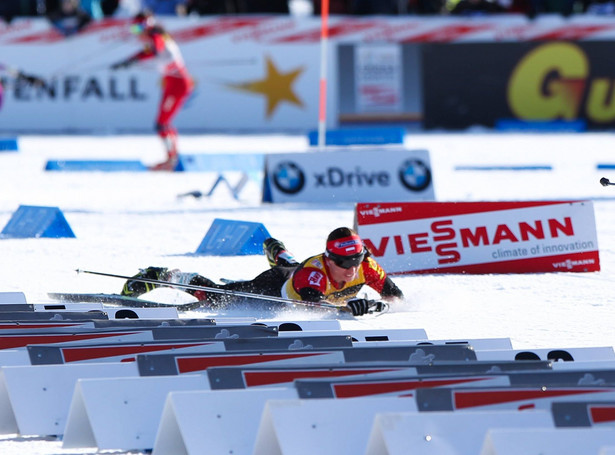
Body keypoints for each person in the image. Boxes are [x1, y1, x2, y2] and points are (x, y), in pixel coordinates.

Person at [122, 227, 405, 316]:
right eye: (345, 263)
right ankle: (164, 276)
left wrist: (377, 305)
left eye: (357, 259)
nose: (353, 268)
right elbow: (314, 307)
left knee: (290, 268)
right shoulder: (313, 275)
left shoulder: (366, 266)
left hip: (293, 273)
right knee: (216, 298)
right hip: (274, 288)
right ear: (330, 259)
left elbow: (395, 297)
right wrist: (353, 308)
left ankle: (280, 254)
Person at [110, 11, 194, 171]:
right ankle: (171, 158)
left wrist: (133, 60)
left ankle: (172, 159)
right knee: (162, 123)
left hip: (178, 84)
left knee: (162, 124)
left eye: (138, 28)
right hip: (170, 83)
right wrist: (128, 61)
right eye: (134, 29)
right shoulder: (154, 37)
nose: (138, 33)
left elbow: (154, 50)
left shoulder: (156, 36)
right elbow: (149, 52)